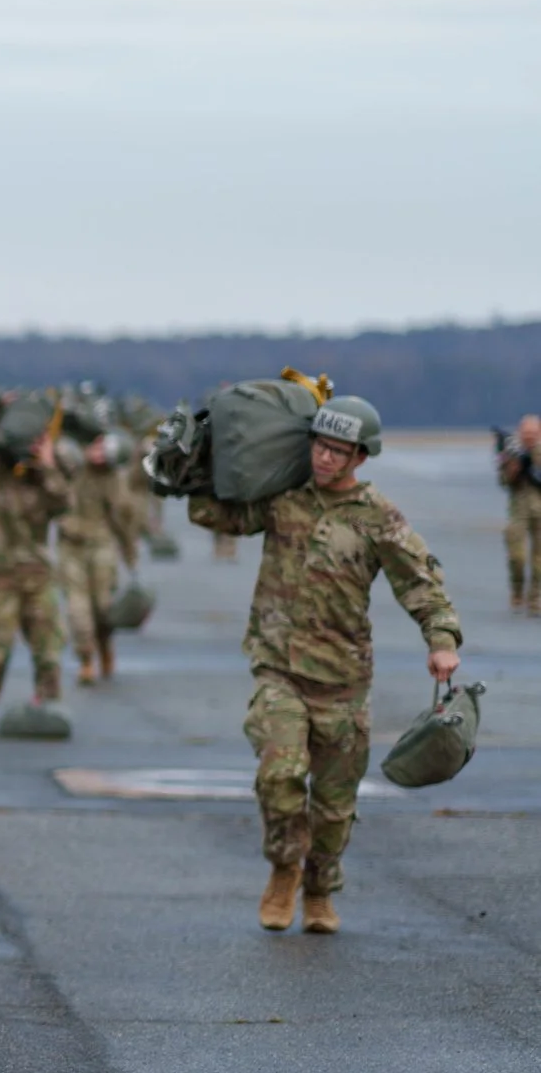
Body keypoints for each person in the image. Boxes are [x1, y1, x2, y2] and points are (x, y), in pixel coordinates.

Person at [191, 398, 460, 934]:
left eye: (338, 451)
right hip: (278, 667)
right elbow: (220, 514)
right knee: (280, 774)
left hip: (342, 681)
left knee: (335, 806)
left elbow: (421, 582)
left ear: (360, 457)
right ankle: (284, 869)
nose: (325, 458)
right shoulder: (284, 498)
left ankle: (319, 888)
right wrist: (193, 468)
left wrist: (441, 639)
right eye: (320, 446)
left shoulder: (379, 517)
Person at [0, 409, 72, 736]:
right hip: (1, 574)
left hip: (37, 574)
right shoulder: (0, 471)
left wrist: (48, 461)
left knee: (48, 649)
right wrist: (3, 415)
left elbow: (64, 502)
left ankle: (49, 707)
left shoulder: (50, 479)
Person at [56, 430, 134, 687]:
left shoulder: (113, 477)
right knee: (77, 608)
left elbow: (122, 518)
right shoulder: (72, 463)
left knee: (102, 606)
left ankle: (104, 645)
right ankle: (86, 658)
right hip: (71, 547)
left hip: (101, 546)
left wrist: (129, 553)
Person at [498, 415, 541, 615]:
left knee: (539, 560)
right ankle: (517, 590)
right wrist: (515, 465)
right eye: (526, 433)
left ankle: (535, 598)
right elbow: (504, 482)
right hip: (519, 511)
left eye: (533, 433)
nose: (530, 437)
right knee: (517, 556)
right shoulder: (512, 451)